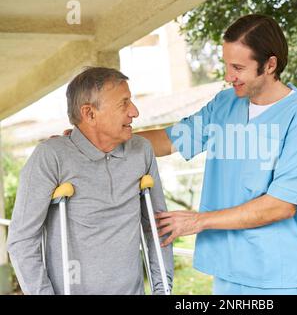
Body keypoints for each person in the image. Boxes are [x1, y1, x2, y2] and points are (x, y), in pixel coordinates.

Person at [137, 14, 297, 295]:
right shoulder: (225, 105)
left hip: (278, 277)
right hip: (228, 273)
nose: (228, 76)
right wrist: (101, 137)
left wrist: (197, 221)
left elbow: (281, 205)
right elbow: (166, 141)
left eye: (238, 67)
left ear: (270, 65)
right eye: (226, 65)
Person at [7, 67, 173, 295]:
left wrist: (162, 289)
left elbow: (157, 227)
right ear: (90, 114)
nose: (134, 112)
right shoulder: (51, 157)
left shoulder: (141, 151)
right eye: (123, 103)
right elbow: (22, 241)